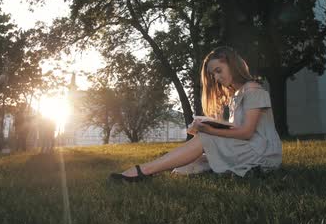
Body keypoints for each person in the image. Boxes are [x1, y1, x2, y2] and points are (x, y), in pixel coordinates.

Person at [109, 46, 282, 182]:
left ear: (232, 64)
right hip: (248, 148)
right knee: (187, 166)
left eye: (218, 70)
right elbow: (237, 129)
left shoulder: (253, 90)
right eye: (213, 74)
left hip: (262, 155)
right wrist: (206, 125)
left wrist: (207, 131)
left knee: (205, 140)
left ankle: (142, 171)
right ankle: (157, 169)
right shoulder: (236, 95)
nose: (216, 77)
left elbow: (246, 132)